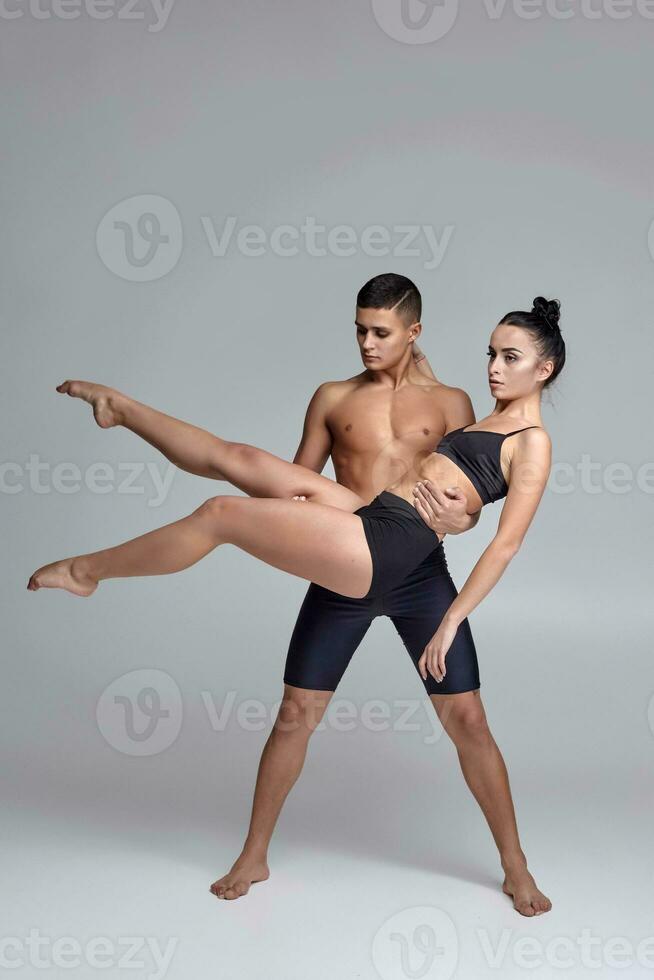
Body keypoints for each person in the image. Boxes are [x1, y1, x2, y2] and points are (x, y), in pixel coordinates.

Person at [26, 279, 563, 916]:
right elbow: (457, 482)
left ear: (544, 367)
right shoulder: (479, 415)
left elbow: (502, 540)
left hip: (402, 563)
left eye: (511, 358)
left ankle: (516, 866)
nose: (495, 367)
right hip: (367, 524)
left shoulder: (529, 440)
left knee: (223, 513)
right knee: (240, 461)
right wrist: (455, 506)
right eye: (493, 354)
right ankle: (122, 408)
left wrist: (452, 612)